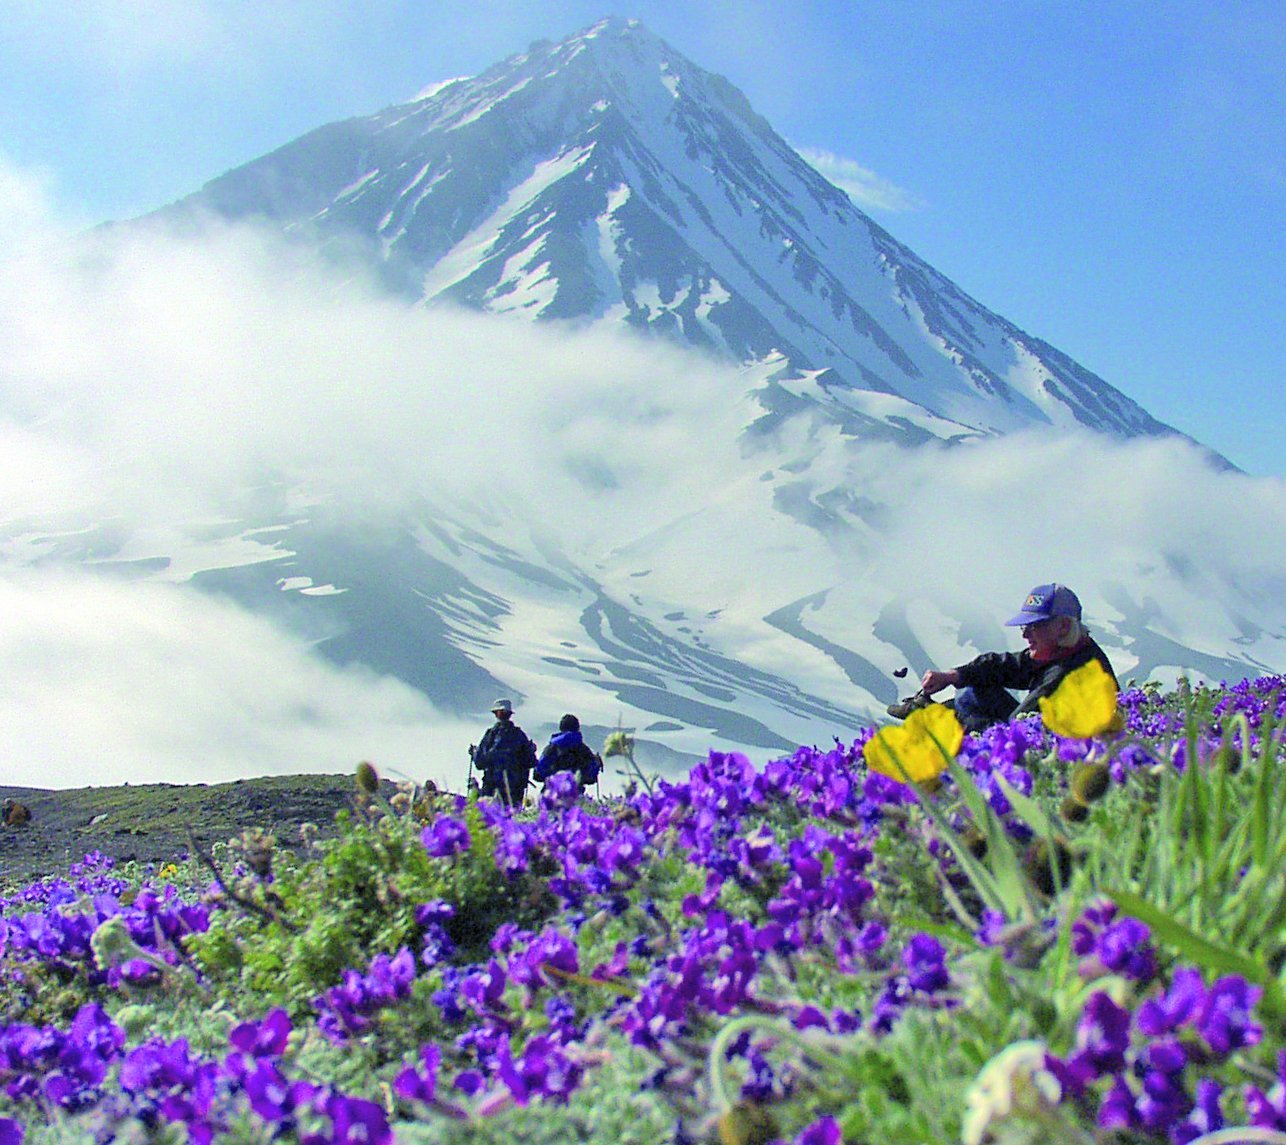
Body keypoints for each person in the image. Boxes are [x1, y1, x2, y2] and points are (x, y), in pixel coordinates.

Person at [887, 583, 1117, 733]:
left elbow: (1019, 727)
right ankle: (928, 713)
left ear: (1063, 626)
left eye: (1033, 626)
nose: (1025, 634)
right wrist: (954, 676)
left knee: (969, 698)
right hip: (1040, 733)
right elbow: (1003, 666)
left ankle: (932, 720)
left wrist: (958, 723)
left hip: (1050, 749)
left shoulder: (1070, 673)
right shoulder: (1066, 648)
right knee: (975, 687)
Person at [472, 699, 537, 807]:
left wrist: (474, 753)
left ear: (497, 714)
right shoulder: (519, 736)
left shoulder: (490, 735)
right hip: (514, 790)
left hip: (491, 788)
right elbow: (531, 761)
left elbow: (480, 763)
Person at [534, 714, 602, 791]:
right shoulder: (584, 750)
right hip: (574, 794)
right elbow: (591, 776)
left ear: (561, 727)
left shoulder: (553, 748)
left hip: (552, 793)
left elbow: (539, 771)